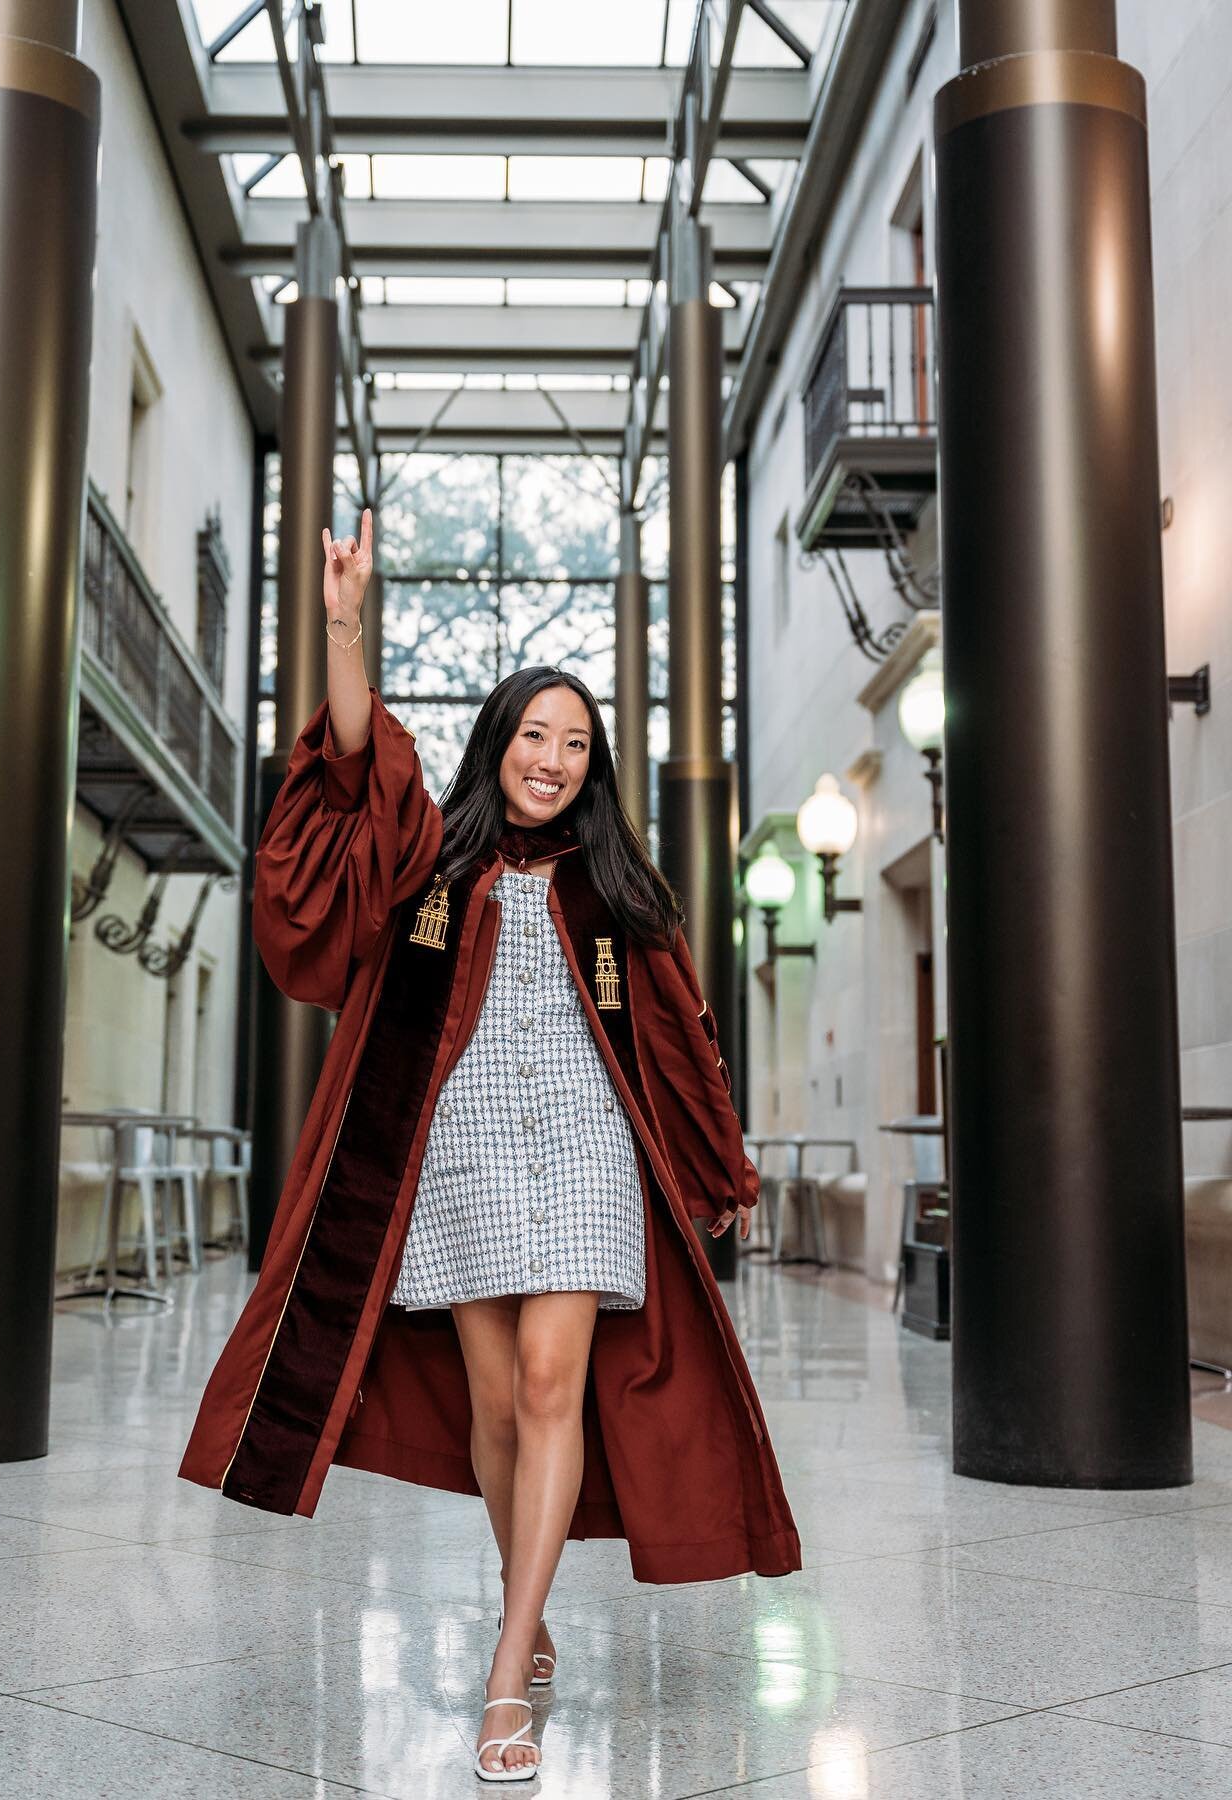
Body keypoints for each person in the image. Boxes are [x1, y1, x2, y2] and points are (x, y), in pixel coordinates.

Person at [180, 507, 801, 1782]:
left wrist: (716, 1165)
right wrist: (346, 621)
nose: (555, 760)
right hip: (456, 1151)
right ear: (500, 742)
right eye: (537, 735)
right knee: (493, 1411)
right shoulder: (432, 864)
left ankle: (508, 1669)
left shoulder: (617, 892)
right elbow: (362, 761)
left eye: (578, 745)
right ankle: (531, 1594)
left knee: (549, 1383)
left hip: (582, 1151)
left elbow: (680, 1038)